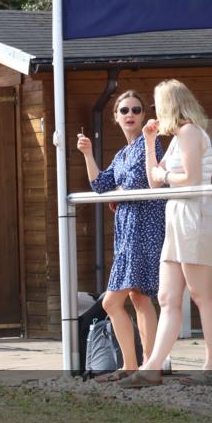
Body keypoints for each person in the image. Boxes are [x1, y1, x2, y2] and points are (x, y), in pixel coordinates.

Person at [121, 80, 212, 388]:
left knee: (201, 294)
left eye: (157, 103)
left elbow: (190, 178)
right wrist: (149, 141)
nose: (154, 110)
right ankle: (152, 366)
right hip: (177, 216)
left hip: (194, 215)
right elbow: (154, 181)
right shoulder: (178, 137)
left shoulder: (190, 132)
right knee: (167, 297)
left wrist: (164, 174)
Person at [76, 90, 165, 381]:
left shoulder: (149, 143)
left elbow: (139, 183)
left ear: (143, 114)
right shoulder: (122, 154)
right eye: (124, 110)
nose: (130, 115)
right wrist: (88, 154)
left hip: (144, 228)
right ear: (115, 116)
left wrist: (118, 194)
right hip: (127, 231)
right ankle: (139, 367)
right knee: (135, 299)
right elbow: (100, 185)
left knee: (119, 301)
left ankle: (143, 366)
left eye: (136, 110)